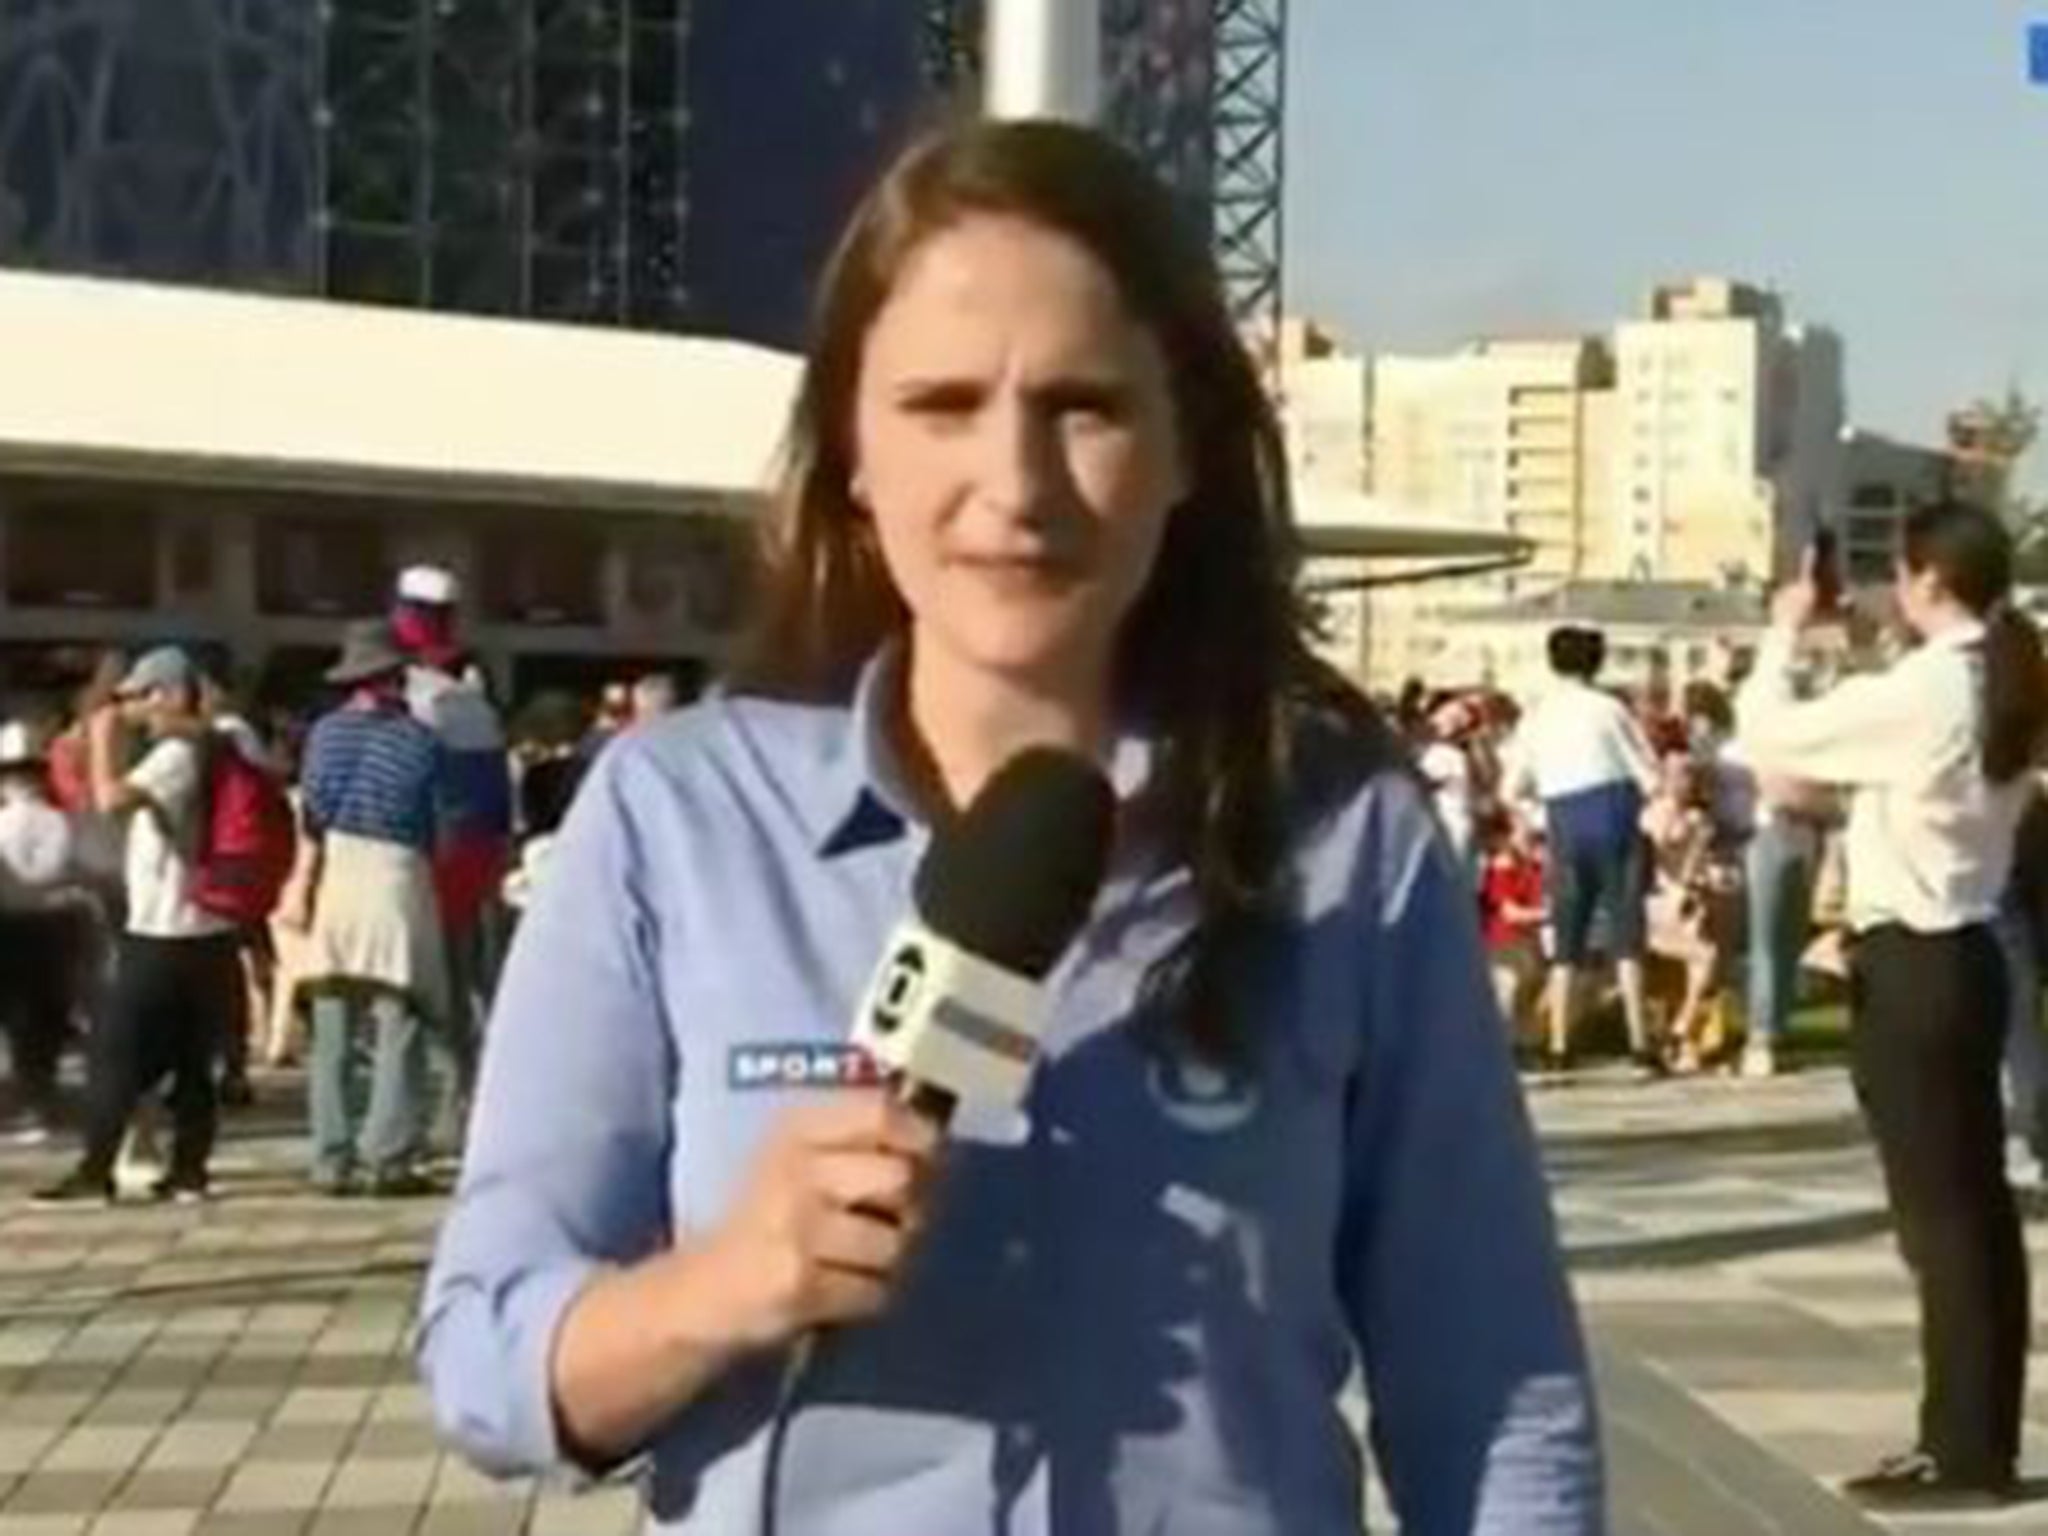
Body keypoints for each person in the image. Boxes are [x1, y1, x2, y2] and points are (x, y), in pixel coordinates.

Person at [419, 121, 1602, 1534]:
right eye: (940, 404)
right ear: (851, 451)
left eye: (1084, 406)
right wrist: (725, 1283)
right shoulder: (676, 821)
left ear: (1187, 454)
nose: (1016, 485)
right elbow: (485, 1362)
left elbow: (1497, 1389)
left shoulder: (1347, 843)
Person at [1737, 500, 2048, 1510]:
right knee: (1975, 1215)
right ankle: (1974, 1435)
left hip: (1911, 961)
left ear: (1924, 581)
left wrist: (1785, 626)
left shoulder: (1926, 686)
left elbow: (1766, 733)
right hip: (1965, 951)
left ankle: (1958, 1451)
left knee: (1941, 1221)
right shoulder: (2002, 672)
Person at [34, 647, 241, 1205]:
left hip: (167, 929)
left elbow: (109, 799)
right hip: (209, 925)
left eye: (137, 695)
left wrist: (101, 737)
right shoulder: (222, 741)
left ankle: (96, 1169)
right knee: (193, 1058)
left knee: (116, 1053)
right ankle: (188, 1170)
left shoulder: (178, 752)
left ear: (168, 694)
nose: (127, 706)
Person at [285, 619, 448, 1197]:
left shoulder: (324, 733)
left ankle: (330, 1156)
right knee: (398, 1021)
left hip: (339, 872)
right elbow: (435, 817)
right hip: (397, 874)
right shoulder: (421, 738)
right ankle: (388, 1155)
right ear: (396, 676)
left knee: (332, 1027)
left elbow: (314, 808)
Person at [1504, 625, 1661, 1075]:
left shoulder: (1538, 715)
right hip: (1612, 811)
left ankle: (1558, 1043)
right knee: (1626, 932)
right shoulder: (1609, 709)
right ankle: (1639, 1043)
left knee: (1567, 934)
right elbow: (1646, 771)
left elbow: (1511, 786)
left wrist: (1537, 818)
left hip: (1564, 818)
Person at [0, 719, 80, 1143]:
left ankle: (26, 1103)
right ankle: (38, 1103)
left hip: (8, 926)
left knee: (18, 1021)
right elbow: (61, 871)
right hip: (52, 926)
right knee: (44, 1020)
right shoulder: (60, 822)